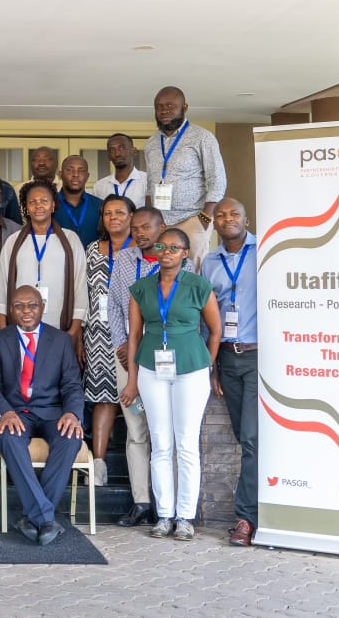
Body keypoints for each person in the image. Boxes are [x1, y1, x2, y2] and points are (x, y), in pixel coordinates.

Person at [120, 228, 222, 541]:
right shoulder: (141, 288)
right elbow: (134, 337)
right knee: (161, 443)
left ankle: (185, 517)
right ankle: (164, 514)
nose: (166, 252)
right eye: (162, 247)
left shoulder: (198, 286)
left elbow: (215, 331)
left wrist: (207, 365)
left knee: (186, 443)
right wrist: (132, 380)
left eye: (174, 248)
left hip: (191, 369)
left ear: (185, 254)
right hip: (152, 369)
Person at [107, 206, 193, 527]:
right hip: (129, 356)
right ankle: (142, 501)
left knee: (170, 431)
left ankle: (171, 505)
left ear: (162, 227)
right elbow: (114, 305)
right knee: (136, 429)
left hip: (169, 357)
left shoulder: (184, 264)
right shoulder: (124, 259)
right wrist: (122, 345)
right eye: (135, 228)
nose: (140, 233)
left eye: (146, 227)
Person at [0, 285, 83, 546]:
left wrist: (72, 413)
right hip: (16, 412)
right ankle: (46, 518)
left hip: (53, 412)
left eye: (32, 305)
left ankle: (35, 517)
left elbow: (72, 384)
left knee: (71, 438)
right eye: (19, 306)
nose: (26, 311)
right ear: (10, 310)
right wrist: (5, 411)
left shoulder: (61, 340)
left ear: (42, 307)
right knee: (8, 437)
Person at [201, 198, 259, 547]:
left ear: (246, 220)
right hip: (227, 357)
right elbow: (206, 318)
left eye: (234, 214)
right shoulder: (210, 262)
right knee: (243, 435)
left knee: (251, 437)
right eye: (220, 215)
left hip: (258, 356)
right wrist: (212, 365)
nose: (227, 219)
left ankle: (246, 518)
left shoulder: (265, 252)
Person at [83, 195, 137, 487]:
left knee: (134, 399)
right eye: (107, 213)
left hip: (132, 335)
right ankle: (99, 464)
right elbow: (83, 293)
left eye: (120, 212)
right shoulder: (92, 250)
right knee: (102, 398)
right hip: (97, 335)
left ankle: (140, 464)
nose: (113, 217)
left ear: (132, 216)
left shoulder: (141, 251)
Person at [0, 182, 87, 351]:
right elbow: (2, 286)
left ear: (53, 205)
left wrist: (74, 330)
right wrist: (3, 328)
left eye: (44, 201)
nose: (38, 206)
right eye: (32, 202)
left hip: (60, 328)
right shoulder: (13, 241)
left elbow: (80, 285)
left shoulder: (70, 239)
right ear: (26, 208)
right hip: (20, 328)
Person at [142, 86, 227, 267]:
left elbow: (217, 179)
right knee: (159, 271)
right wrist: (150, 219)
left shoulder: (202, 137)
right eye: (159, 107)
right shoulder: (151, 143)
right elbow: (150, 184)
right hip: (160, 223)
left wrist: (204, 219)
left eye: (170, 106)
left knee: (192, 273)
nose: (164, 111)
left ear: (184, 108)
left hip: (191, 219)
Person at [53, 156, 103, 247]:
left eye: (81, 170)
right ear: (61, 174)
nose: (75, 174)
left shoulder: (100, 205)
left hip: (92, 256)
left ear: (87, 176)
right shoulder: (50, 205)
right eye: (70, 170)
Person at [93, 133, 147, 206]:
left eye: (121, 148)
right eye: (112, 150)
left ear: (134, 151)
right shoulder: (99, 186)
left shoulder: (147, 181)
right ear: (109, 156)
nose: (117, 154)